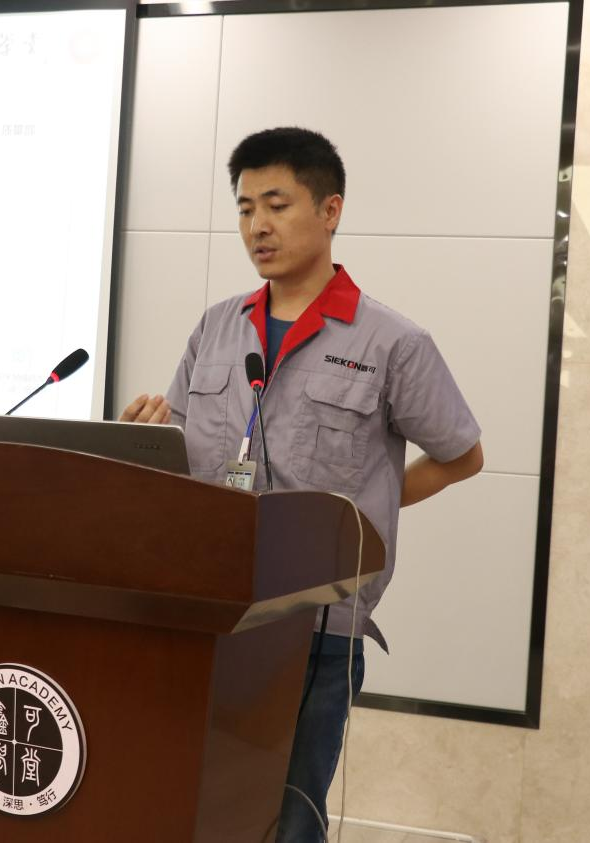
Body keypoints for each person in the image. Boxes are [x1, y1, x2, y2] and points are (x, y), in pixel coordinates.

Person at [121, 127, 483, 842]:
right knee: (192, 803)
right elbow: (182, 454)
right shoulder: (217, 328)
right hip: (209, 607)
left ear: (330, 210)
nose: (257, 225)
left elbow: (461, 455)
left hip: (316, 623)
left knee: (287, 817)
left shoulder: (390, 342)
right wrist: (145, 434)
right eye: (244, 207)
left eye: (276, 204)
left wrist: (364, 512)